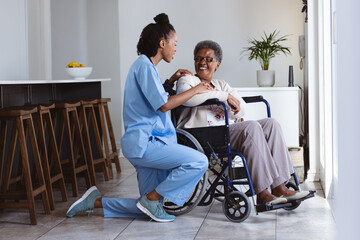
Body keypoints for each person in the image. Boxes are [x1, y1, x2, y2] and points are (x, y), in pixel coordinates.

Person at [65, 13, 211, 222]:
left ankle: (96, 201)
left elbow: (154, 96)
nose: (176, 48)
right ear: (162, 43)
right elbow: (163, 105)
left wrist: (170, 81)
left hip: (143, 143)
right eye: (175, 43)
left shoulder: (146, 66)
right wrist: (196, 89)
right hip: (146, 144)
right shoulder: (143, 65)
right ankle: (151, 201)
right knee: (198, 161)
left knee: (150, 205)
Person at [176, 40, 310, 205]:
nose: (203, 62)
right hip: (199, 135)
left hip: (222, 134)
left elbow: (241, 108)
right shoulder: (188, 81)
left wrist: (235, 106)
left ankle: (279, 185)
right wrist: (224, 97)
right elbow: (188, 99)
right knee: (250, 127)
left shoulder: (221, 84)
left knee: (271, 124)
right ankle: (261, 193)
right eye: (199, 58)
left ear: (217, 65)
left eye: (209, 59)